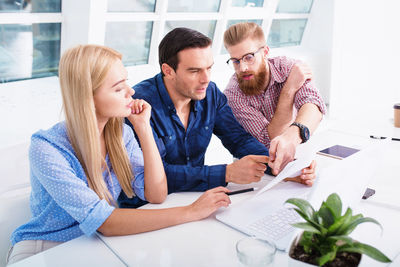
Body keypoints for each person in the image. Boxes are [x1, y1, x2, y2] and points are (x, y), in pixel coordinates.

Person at [7, 45, 232, 265]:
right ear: (88, 97)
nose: (131, 91)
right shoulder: (47, 148)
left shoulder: (121, 134)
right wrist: (191, 212)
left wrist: (144, 129)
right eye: (118, 88)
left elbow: (156, 194)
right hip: (44, 249)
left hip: (95, 244)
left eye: (126, 81)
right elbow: (105, 221)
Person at [120, 27, 316, 208]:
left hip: (193, 199)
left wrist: (282, 166)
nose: (206, 79)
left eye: (209, 68)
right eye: (195, 71)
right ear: (168, 71)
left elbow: (239, 140)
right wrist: (227, 173)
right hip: (145, 207)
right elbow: (156, 175)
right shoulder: (139, 105)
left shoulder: (210, 93)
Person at [223, 22, 327, 175]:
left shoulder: (287, 67)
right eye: (236, 61)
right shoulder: (233, 94)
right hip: (255, 170)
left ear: (265, 52)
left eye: (249, 57)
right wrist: (289, 90)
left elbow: (314, 106)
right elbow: (269, 140)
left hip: (295, 156)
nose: (243, 68)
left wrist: (292, 137)